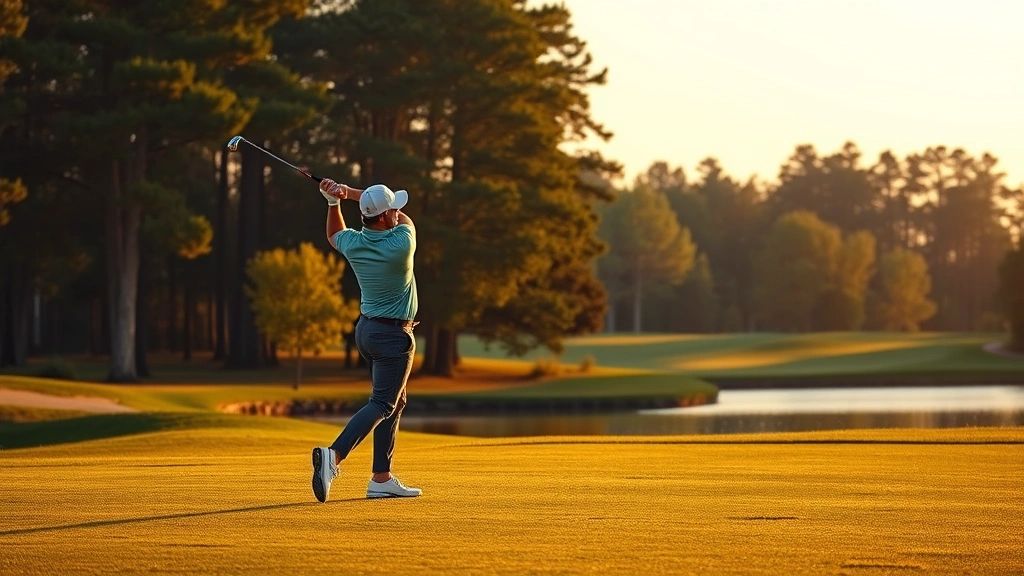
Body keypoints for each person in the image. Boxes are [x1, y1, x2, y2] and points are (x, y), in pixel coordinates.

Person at [310, 177, 422, 503]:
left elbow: (333, 235)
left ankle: (381, 478)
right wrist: (349, 192)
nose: (397, 212)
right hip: (393, 336)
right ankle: (334, 456)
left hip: (367, 332)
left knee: (395, 400)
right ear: (387, 217)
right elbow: (405, 217)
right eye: (392, 210)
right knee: (383, 403)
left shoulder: (354, 243)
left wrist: (334, 202)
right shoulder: (401, 243)